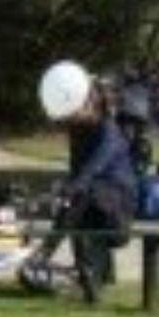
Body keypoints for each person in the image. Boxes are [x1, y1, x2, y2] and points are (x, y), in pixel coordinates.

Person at [61, 80, 141, 291]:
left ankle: (93, 275)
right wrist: (69, 187)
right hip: (93, 199)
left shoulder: (109, 131)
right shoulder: (78, 132)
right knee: (73, 208)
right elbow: (77, 169)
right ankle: (90, 272)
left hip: (118, 199)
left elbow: (95, 166)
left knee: (83, 206)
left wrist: (75, 186)